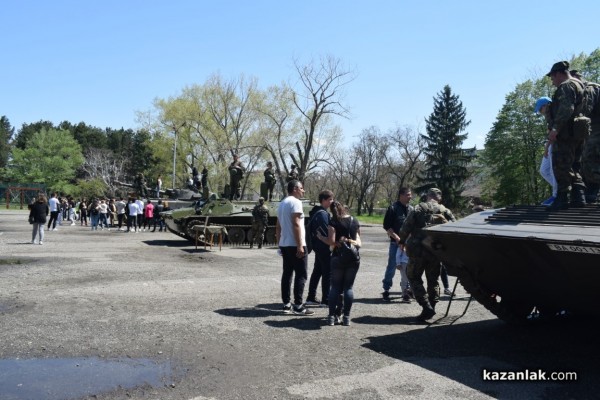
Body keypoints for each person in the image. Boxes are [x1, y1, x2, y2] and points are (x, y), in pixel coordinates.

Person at [398, 188, 456, 321]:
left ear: (428, 196)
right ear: (439, 198)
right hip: (436, 251)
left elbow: (405, 228)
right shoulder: (445, 211)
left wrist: (402, 240)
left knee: (413, 276)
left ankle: (426, 306)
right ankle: (432, 307)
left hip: (417, 251)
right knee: (433, 280)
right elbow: (455, 228)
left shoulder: (418, 208)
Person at [545, 61, 587, 210]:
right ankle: (579, 197)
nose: (552, 82)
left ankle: (562, 199)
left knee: (561, 165)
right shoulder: (580, 84)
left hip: (565, 134)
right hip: (578, 132)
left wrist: (555, 129)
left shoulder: (566, 86)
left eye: (552, 78)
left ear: (558, 73)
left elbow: (566, 108)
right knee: (575, 164)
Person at [317, 200, 361, 326]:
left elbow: (331, 241)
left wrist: (321, 237)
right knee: (348, 288)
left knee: (335, 287)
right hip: (353, 258)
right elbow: (357, 238)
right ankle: (346, 317)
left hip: (338, 257)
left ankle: (331, 317)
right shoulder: (354, 220)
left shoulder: (333, 222)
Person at [276, 180, 314, 315]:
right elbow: (296, 224)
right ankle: (298, 305)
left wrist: (279, 243)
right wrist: (300, 245)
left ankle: (286, 304)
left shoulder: (282, 203)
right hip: (295, 244)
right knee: (301, 274)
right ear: (295, 189)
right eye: (302, 188)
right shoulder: (296, 202)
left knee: (287, 274)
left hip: (285, 243)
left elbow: (278, 226)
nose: (303, 191)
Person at [381, 187, 413, 302]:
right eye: (408, 194)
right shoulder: (393, 208)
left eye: (410, 194)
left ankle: (406, 291)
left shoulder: (411, 209)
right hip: (396, 244)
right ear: (401, 195)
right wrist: (398, 239)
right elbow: (387, 227)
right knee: (392, 266)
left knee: (407, 268)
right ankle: (386, 289)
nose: (410, 197)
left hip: (408, 245)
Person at [306, 189, 335, 306]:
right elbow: (324, 233)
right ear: (323, 200)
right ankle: (326, 299)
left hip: (318, 247)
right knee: (327, 273)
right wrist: (331, 243)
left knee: (317, 272)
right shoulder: (322, 214)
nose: (332, 202)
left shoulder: (317, 212)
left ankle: (311, 298)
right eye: (330, 199)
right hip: (323, 247)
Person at [535, 96, 558, 205]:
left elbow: (554, 133)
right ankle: (560, 190)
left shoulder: (555, 114)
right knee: (544, 171)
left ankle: (556, 195)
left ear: (546, 105)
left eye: (540, 109)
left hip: (556, 145)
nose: (540, 112)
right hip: (550, 144)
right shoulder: (548, 116)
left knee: (554, 171)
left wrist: (546, 148)